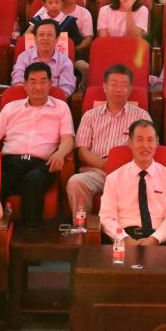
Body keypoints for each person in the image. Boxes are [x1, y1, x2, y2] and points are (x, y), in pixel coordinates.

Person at [0, 62, 76, 233]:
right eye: (33, 81)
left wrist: (60, 153)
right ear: (25, 85)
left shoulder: (60, 107)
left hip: (41, 164)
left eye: (43, 81)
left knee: (33, 180)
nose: (38, 87)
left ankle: (30, 233)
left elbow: (68, 139)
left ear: (50, 84)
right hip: (10, 162)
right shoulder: (10, 108)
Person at [66, 65, 151, 219]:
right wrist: (105, 165)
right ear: (104, 87)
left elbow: (148, 149)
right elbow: (82, 150)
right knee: (75, 182)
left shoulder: (141, 116)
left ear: (130, 89)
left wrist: (120, 167)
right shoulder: (90, 116)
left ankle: (126, 229)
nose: (118, 89)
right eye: (114, 83)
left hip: (128, 173)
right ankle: (83, 227)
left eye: (124, 84)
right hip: (97, 171)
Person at [99, 119, 166, 246]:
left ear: (156, 143)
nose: (145, 145)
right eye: (139, 140)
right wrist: (124, 239)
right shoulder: (114, 178)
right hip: (124, 240)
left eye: (150, 140)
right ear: (130, 143)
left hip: (158, 241)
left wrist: (155, 239)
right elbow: (107, 217)